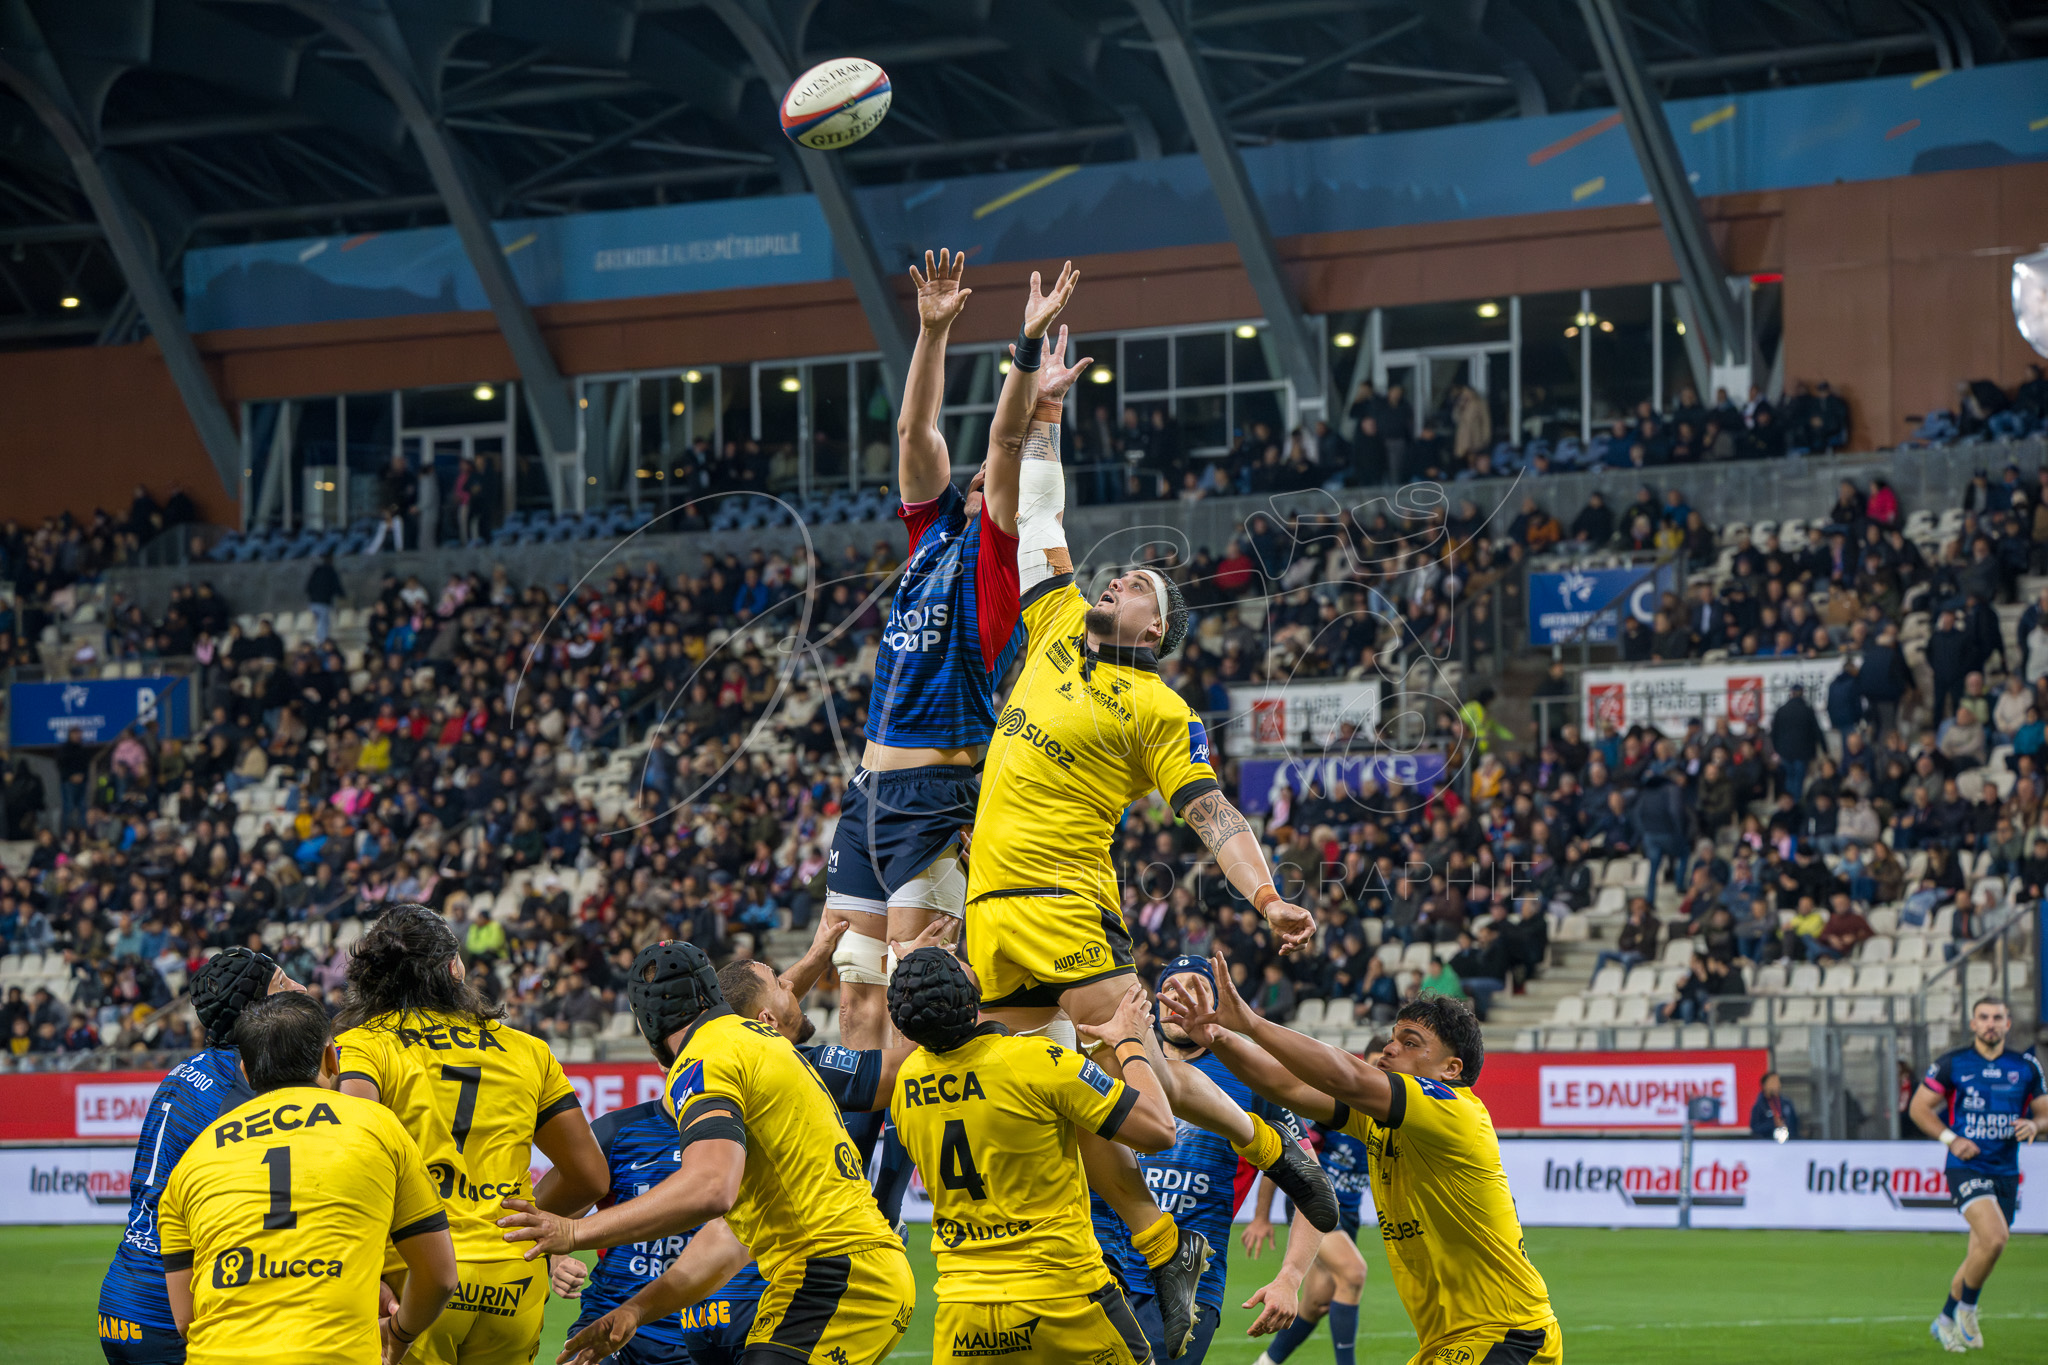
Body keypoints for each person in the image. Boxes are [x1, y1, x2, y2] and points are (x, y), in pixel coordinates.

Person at [960, 359, 1338, 1355]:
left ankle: (1263, 1145)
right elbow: (1037, 511)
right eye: (1117, 574)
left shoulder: (1156, 708)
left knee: (1139, 1090)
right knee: (1054, 1095)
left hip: (1059, 899)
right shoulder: (1049, 627)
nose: (1117, 578)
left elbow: (1211, 813)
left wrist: (1265, 896)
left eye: (1138, 586)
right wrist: (1043, 413)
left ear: (1155, 630)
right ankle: (1161, 1236)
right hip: (988, 907)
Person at [825, 253, 1078, 1225]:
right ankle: (842, 1187)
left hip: (935, 796)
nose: (976, 476)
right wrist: (932, 330)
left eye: (987, 476)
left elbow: (1005, 440)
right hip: (872, 796)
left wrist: (1022, 361)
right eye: (972, 478)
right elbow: (915, 430)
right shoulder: (930, 537)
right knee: (854, 996)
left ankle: (873, 1203)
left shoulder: (994, 563)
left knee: (901, 1001)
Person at [499, 939, 917, 1365]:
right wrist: (635, 1310)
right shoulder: (755, 1045)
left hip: (834, 1275)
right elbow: (728, 1235)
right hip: (846, 1276)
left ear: (645, 1029)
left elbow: (710, 1188)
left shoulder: (705, 1057)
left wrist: (573, 1232)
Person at [1161, 972, 1560, 1365]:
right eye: (1392, 1038)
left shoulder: (1455, 1109)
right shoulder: (1377, 1120)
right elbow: (1288, 1087)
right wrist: (1219, 1037)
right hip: (1447, 1343)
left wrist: (1251, 1023)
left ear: (1451, 1069)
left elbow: (1345, 1074)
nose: (1389, 1049)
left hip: (1507, 1333)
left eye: (1410, 1043)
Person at [334, 905, 608, 1365]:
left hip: (414, 1282)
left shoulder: (362, 1047)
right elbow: (590, 1178)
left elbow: (349, 1163)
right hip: (512, 1282)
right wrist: (524, 1220)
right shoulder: (529, 1052)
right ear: (453, 968)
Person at [884, 947, 1179, 1364]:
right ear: (972, 1001)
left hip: (964, 1310)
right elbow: (1159, 1130)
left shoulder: (906, 1084)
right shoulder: (1036, 1061)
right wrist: (1129, 1040)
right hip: (1064, 1293)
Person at [157, 993, 460, 1365]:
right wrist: (399, 1335)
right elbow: (440, 1277)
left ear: (246, 1073)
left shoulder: (192, 1158)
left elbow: (186, 1320)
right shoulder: (378, 1126)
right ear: (332, 1058)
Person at [1096, 958, 1326, 1364]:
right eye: (1171, 987)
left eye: (1196, 986)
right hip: (1101, 1273)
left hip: (1189, 1293)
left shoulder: (1248, 1076)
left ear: (1217, 1004)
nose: (1179, 997)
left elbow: (1312, 1187)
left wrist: (1290, 1278)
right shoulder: (1118, 1062)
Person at [96, 948, 306, 1365]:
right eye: (284, 983)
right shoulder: (246, 1090)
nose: (299, 988)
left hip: (123, 1294)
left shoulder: (189, 1070)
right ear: (260, 1010)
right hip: (175, 1308)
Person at [1908, 998, 2046, 1352]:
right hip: (1966, 1166)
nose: (1990, 1023)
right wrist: (1951, 1140)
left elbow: (2045, 1115)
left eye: (1997, 1017)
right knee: (1996, 1237)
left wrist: (2035, 1122)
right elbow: (1919, 1108)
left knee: (1983, 1251)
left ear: (2008, 1024)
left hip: (2006, 1170)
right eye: (1983, 1017)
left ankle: (1944, 1319)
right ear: (1972, 1024)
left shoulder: (2026, 1066)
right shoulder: (1952, 1063)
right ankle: (1968, 1310)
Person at [1247, 1034, 1386, 1365]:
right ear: (1362, 1065)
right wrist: (1261, 1216)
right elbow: (1286, 1154)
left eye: (1386, 1067)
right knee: (1353, 1272)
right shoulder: (1336, 1112)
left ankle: (1265, 1363)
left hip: (1347, 1218)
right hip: (1312, 1207)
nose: (1381, 1071)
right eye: (1375, 1064)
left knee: (1317, 1302)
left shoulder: (1393, 1119)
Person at [1748, 1071, 1798, 1141]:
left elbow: (1795, 1124)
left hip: (1788, 1141)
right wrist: (1773, 1124)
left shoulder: (1787, 1103)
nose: (1777, 1085)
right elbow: (1755, 1128)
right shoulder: (1759, 1106)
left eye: (1778, 1082)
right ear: (1764, 1085)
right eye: (1773, 1082)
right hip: (1767, 1143)